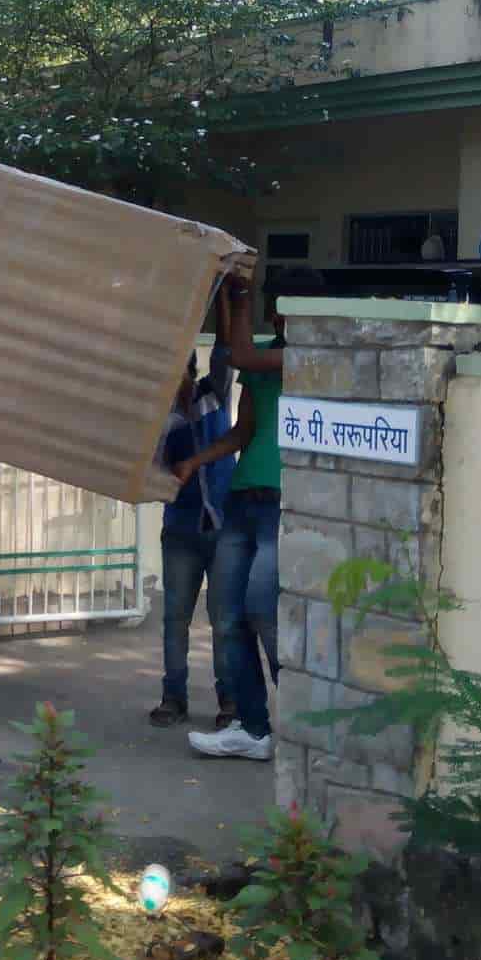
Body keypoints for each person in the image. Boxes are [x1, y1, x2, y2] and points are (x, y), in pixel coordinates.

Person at [188, 270, 290, 762]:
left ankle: (296, 724)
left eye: (278, 303)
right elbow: (243, 430)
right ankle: (252, 730)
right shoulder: (268, 352)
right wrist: (196, 460)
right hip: (244, 498)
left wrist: (241, 294)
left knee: (262, 609)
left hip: (282, 502)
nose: (274, 313)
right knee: (225, 615)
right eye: (271, 304)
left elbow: (239, 354)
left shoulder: (315, 354)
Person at [149, 287, 246, 729]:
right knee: (175, 619)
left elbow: (227, 350)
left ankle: (229, 702)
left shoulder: (214, 396)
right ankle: (174, 696)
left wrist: (223, 296)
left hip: (223, 528)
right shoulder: (159, 419)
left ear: (191, 370)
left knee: (225, 621)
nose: (181, 384)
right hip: (181, 530)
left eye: (183, 373)